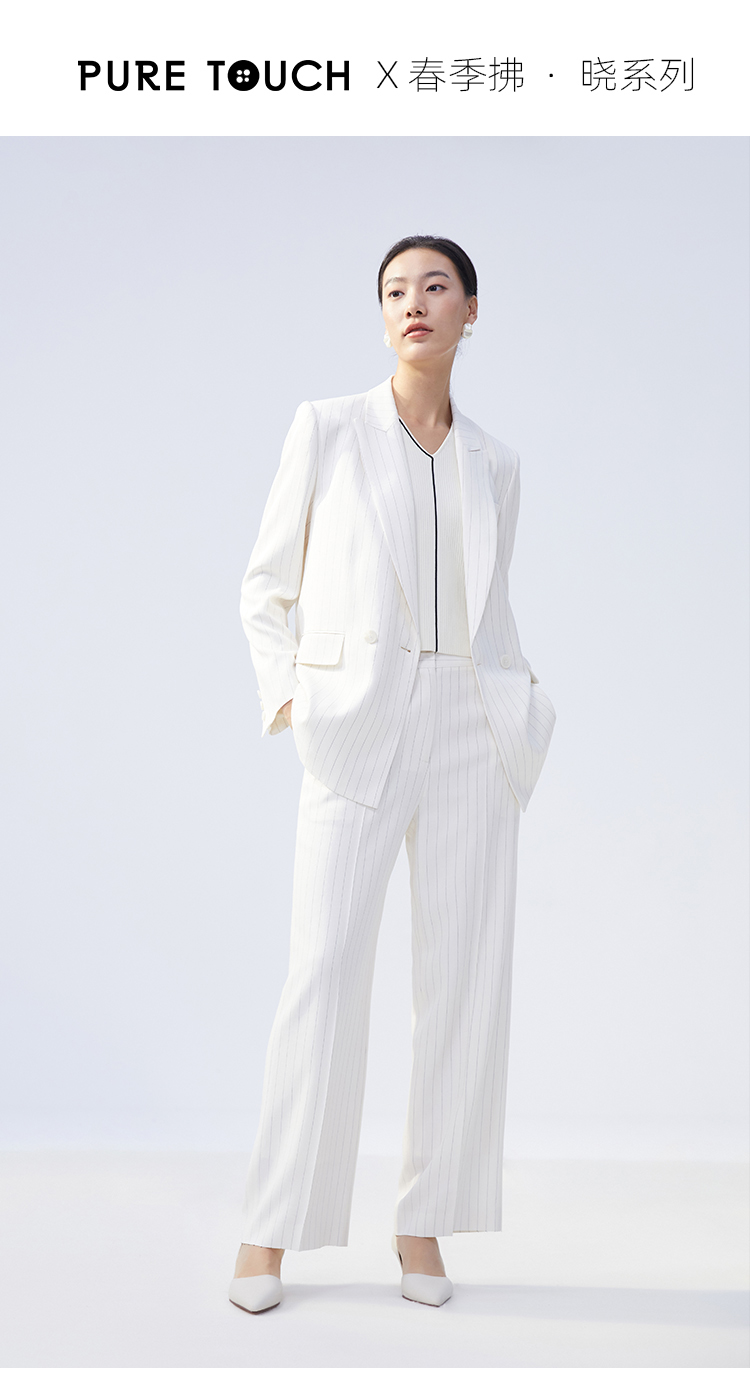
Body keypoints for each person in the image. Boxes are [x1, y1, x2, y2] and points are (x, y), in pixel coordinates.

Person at [229, 235, 556, 1314]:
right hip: (356, 722)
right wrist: (293, 699)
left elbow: (490, 606)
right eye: (395, 290)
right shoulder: (327, 429)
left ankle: (423, 1225)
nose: (413, 302)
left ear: (471, 310)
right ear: (381, 315)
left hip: (473, 724)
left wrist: (519, 706)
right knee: (323, 973)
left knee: (463, 981)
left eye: (435, 287)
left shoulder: (498, 463)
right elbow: (264, 586)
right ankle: (270, 1231)